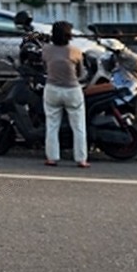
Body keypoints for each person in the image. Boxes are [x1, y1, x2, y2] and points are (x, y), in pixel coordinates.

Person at [41, 20, 89, 168]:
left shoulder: (46, 50)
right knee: (78, 126)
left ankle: (52, 158)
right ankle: (81, 159)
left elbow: (45, 67)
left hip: (52, 89)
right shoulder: (75, 51)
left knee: (52, 125)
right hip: (72, 90)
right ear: (69, 35)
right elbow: (80, 73)